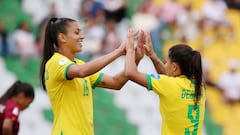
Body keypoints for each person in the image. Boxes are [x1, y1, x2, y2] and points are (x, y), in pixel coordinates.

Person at [39, 17, 144, 135]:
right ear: (62, 37)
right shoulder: (55, 62)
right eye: (77, 32)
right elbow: (81, 72)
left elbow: (116, 82)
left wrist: (135, 60)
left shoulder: (80, 64)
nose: (82, 36)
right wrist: (118, 51)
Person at [125, 29, 206, 135]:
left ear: (174, 67)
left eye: (166, 61)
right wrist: (153, 57)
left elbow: (130, 72)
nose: (164, 63)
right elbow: (168, 80)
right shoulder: (200, 87)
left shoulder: (170, 84)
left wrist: (130, 48)